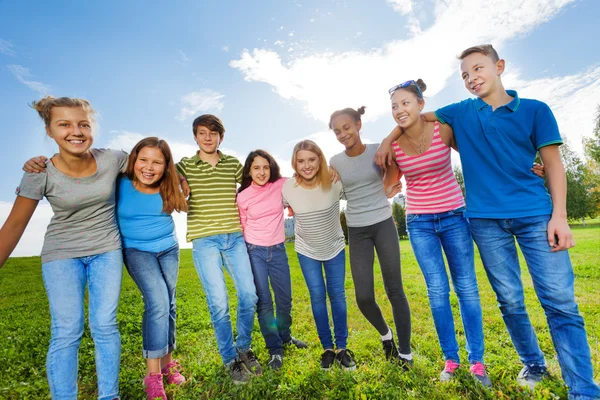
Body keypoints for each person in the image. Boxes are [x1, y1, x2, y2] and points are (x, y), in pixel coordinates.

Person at [377, 44, 600, 400]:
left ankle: (584, 390)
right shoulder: (462, 113)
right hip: (484, 221)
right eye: (465, 75)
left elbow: (553, 164)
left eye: (478, 69)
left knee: (559, 301)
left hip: (535, 214)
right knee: (509, 300)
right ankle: (535, 364)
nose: (471, 78)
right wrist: (387, 140)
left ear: (499, 66)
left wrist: (560, 215)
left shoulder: (535, 110)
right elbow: (417, 117)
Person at [0, 96, 127, 400]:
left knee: (105, 325)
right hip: (61, 254)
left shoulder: (114, 159)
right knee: (67, 330)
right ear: (50, 131)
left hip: (106, 249)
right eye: (64, 124)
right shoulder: (39, 172)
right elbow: (15, 225)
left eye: (84, 124)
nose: (76, 131)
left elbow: (154, 163)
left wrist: (181, 180)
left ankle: (110, 397)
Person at [383, 79, 490, 386]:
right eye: (394, 106)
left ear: (420, 103)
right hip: (420, 223)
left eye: (405, 103)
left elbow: (474, 154)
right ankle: (452, 360)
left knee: (466, 287)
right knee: (437, 292)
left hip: (455, 216)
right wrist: (390, 187)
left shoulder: (442, 128)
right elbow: (389, 187)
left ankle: (477, 362)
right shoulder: (393, 147)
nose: (399, 110)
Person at [175, 114, 260, 384]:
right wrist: (179, 181)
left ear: (221, 137)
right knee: (219, 303)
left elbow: (256, 182)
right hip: (205, 240)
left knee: (249, 295)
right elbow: (162, 172)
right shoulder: (185, 165)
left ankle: (243, 348)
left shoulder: (232, 163)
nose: (208, 137)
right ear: (195, 136)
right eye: (202, 133)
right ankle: (229, 359)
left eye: (213, 133)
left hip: (234, 237)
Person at [329, 107, 413, 369]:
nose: (343, 134)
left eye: (347, 127)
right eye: (337, 131)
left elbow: (394, 174)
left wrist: (391, 184)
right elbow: (333, 188)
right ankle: (386, 336)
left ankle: (406, 353)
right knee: (363, 297)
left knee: (395, 290)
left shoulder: (380, 149)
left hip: (383, 224)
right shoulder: (335, 162)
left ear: (358, 124)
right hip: (357, 229)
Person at [116, 137, 188, 399]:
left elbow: (182, 180)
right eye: (143, 159)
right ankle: (153, 377)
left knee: (169, 304)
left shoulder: (169, 186)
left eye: (157, 162)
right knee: (157, 302)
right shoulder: (119, 183)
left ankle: (169, 366)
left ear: (166, 166)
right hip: (135, 250)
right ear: (133, 159)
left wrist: (181, 180)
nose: (148, 167)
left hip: (168, 249)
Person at [281, 140, 356, 371]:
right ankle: (327, 349)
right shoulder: (288, 188)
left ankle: (342, 348)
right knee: (317, 296)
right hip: (307, 251)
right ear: (295, 162)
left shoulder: (334, 181)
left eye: (312, 159)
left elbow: (359, 189)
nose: (307, 165)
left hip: (334, 247)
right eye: (301, 160)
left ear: (320, 160)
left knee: (337, 295)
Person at [237, 149, 308, 371]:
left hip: (277, 250)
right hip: (254, 251)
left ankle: (286, 337)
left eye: (265, 167)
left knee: (284, 299)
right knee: (264, 302)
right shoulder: (242, 196)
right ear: (249, 170)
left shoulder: (281, 185)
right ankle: (274, 349)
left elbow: (303, 178)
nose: (261, 172)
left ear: (271, 168)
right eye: (256, 167)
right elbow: (241, 226)